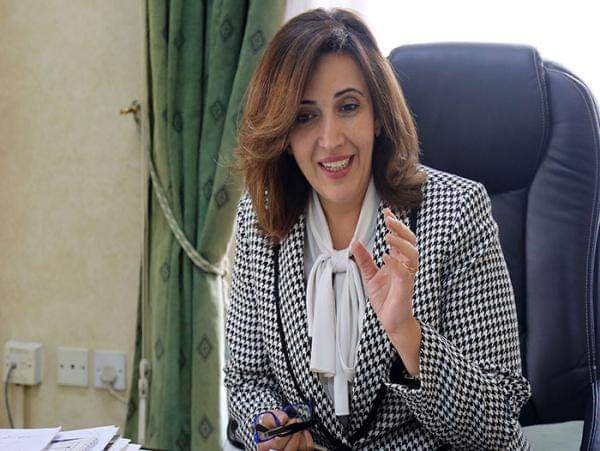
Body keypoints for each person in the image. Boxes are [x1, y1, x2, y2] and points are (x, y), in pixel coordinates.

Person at [225, 7, 531, 451]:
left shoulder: (456, 212)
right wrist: (271, 426)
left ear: (378, 116)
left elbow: (500, 429)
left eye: (348, 107)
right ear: (283, 133)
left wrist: (407, 333)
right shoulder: (260, 217)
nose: (331, 139)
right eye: (306, 116)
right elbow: (246, 379)